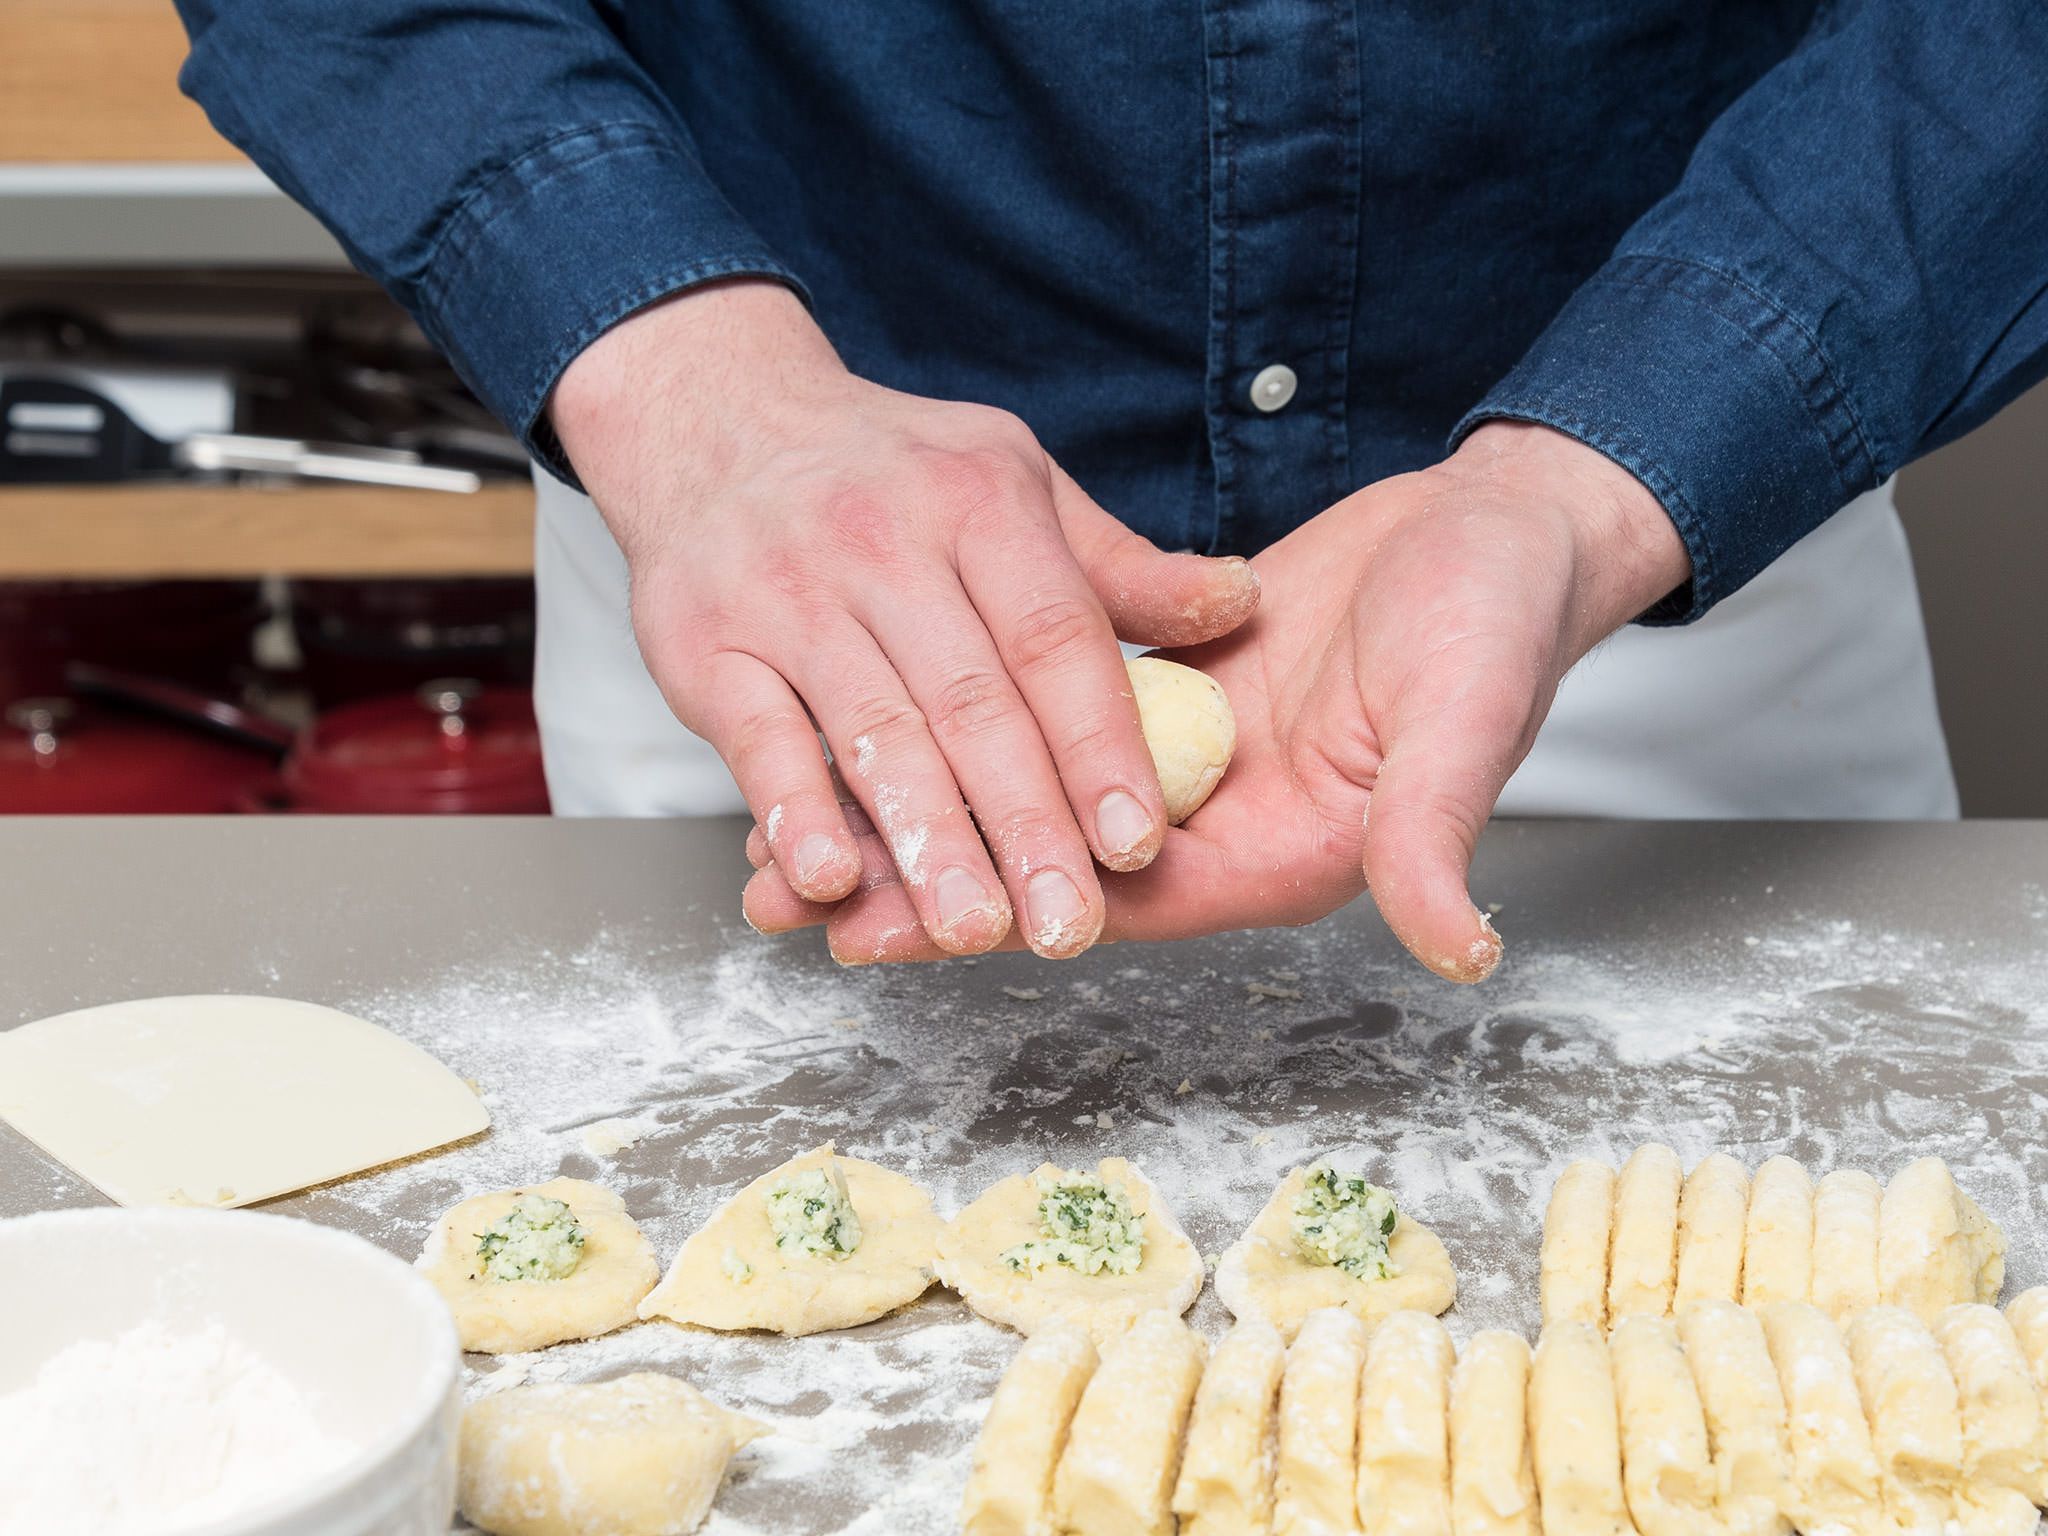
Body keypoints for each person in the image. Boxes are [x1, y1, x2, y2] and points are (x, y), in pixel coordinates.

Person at [174, 3, 2046, 980]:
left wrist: (1611, 470)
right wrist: (694, 388)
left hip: (1641, 566)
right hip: (808, 611)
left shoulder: (1619, 518)